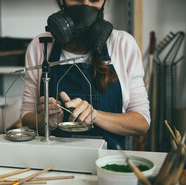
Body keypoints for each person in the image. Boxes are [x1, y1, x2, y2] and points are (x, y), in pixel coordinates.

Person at [20, 0, 150, 149]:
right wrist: (45, 122)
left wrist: (96, 115)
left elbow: (142, 123)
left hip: (107, 163)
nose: (85, 4)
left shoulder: (123, 44)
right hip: (53, 162)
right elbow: (26, 117)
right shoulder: (41, 45)